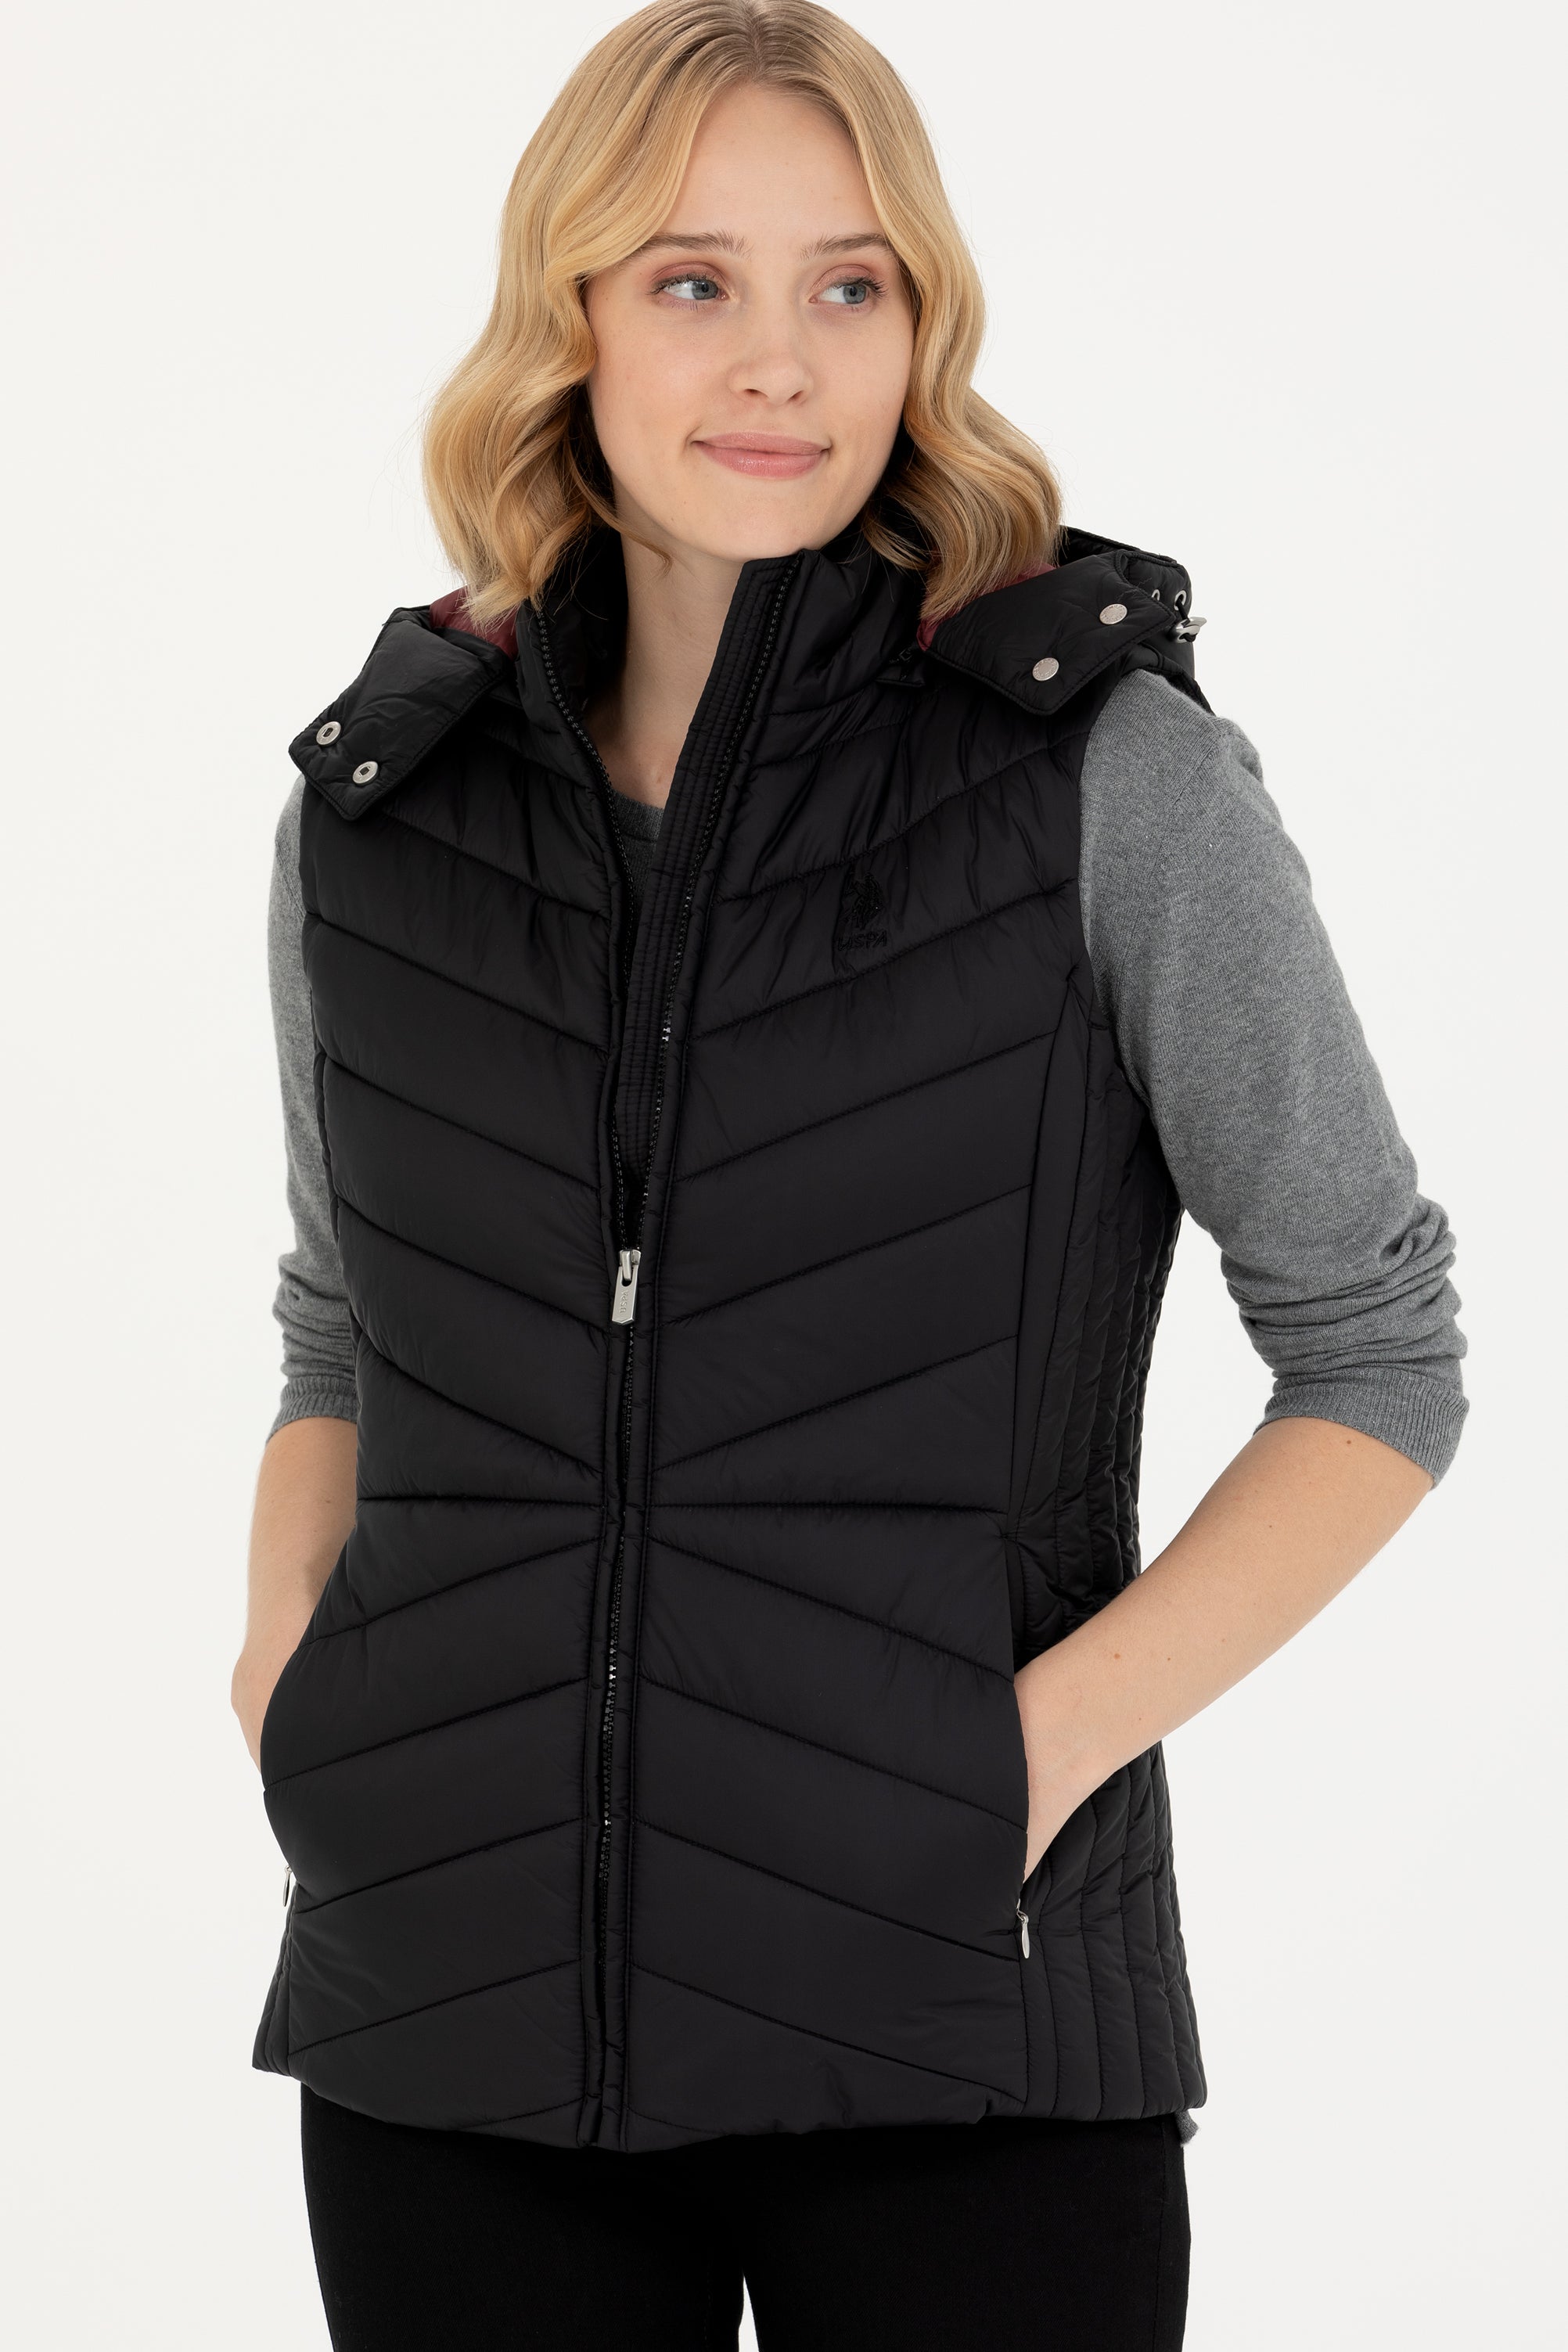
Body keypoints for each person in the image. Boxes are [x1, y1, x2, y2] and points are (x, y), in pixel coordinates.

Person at [232, 4, 1466, 2344]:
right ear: (571, 316)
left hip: (959, 2031)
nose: (779, 360)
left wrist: (1022, 1761)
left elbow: (1377, 1355)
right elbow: (339, 1323)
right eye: (693, 279)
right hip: (450, 2017)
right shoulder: (384, 817)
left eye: (851, 282)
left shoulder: (1104, 781)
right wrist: (287, 1664)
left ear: (924, 324)